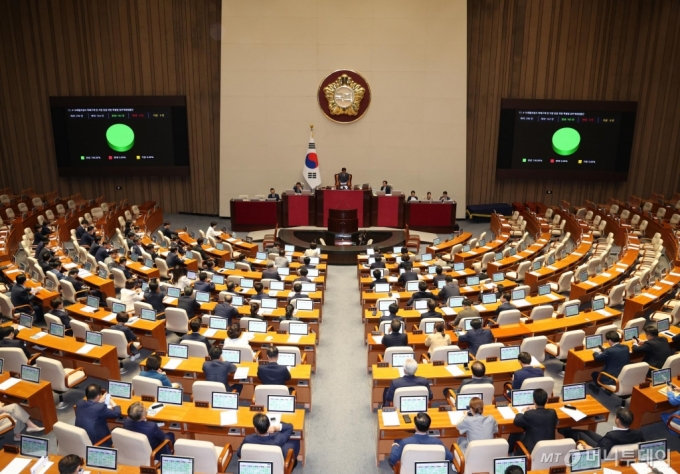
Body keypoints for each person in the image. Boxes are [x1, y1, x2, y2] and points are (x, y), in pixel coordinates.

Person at [559, 408, 644, 457]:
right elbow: (643, 446)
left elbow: (602, 454)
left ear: (617, 420)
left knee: (580, 435)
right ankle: (567, 431)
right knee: (589, 432)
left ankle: (565, 431)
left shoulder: (612, 436)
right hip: (609, 443)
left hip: (601, 447)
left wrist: (590, 448)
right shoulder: (638, 433)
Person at [388, 413, 453, 466]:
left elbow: (392, 460)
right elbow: (450, 458)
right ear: (429, 427)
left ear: (415, 427)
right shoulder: (438, 443)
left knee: (396, 442)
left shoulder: (405, 442)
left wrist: (395, 446)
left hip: (409, 470)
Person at [507, 389, 558, 455]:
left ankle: (510, 454)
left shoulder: (530, 414)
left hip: (532, 450)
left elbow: (516, 421)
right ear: (547, 400)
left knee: (515, 433)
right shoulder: (552, 412)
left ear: (533, 401)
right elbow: (556, 422)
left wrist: (522, 412)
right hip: (549, 448)